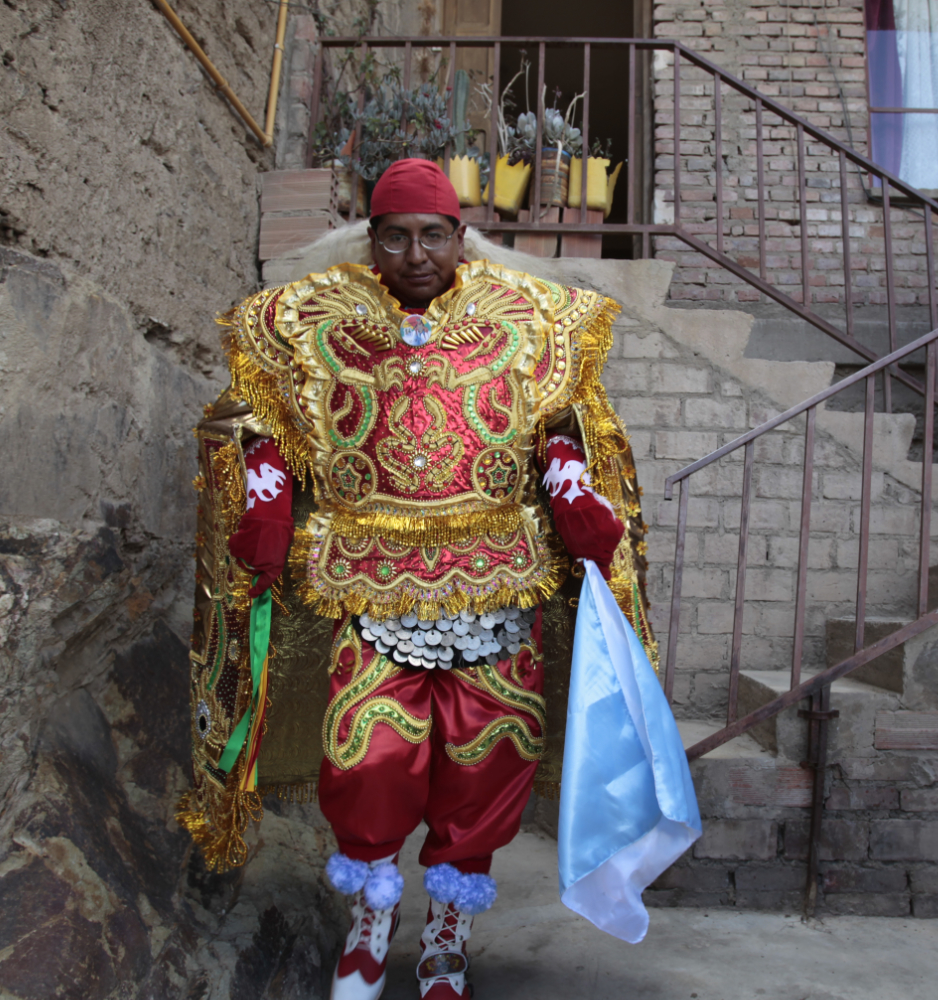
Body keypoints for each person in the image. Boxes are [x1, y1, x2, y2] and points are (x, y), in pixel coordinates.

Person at [183, 158, 657, 1000]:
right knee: (367, 763)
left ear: (460, 239)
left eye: (432, 235)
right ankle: (371, 919)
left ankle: (447, 933)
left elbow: (566, 418)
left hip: (499, 590)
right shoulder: (305, 321)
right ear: (373, 241)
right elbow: (257, 411)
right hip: (369, 590)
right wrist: (264, 485)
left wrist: (568, 479)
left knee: (485, 768)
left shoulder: (535, 321)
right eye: (395, 236)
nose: (414, 254)